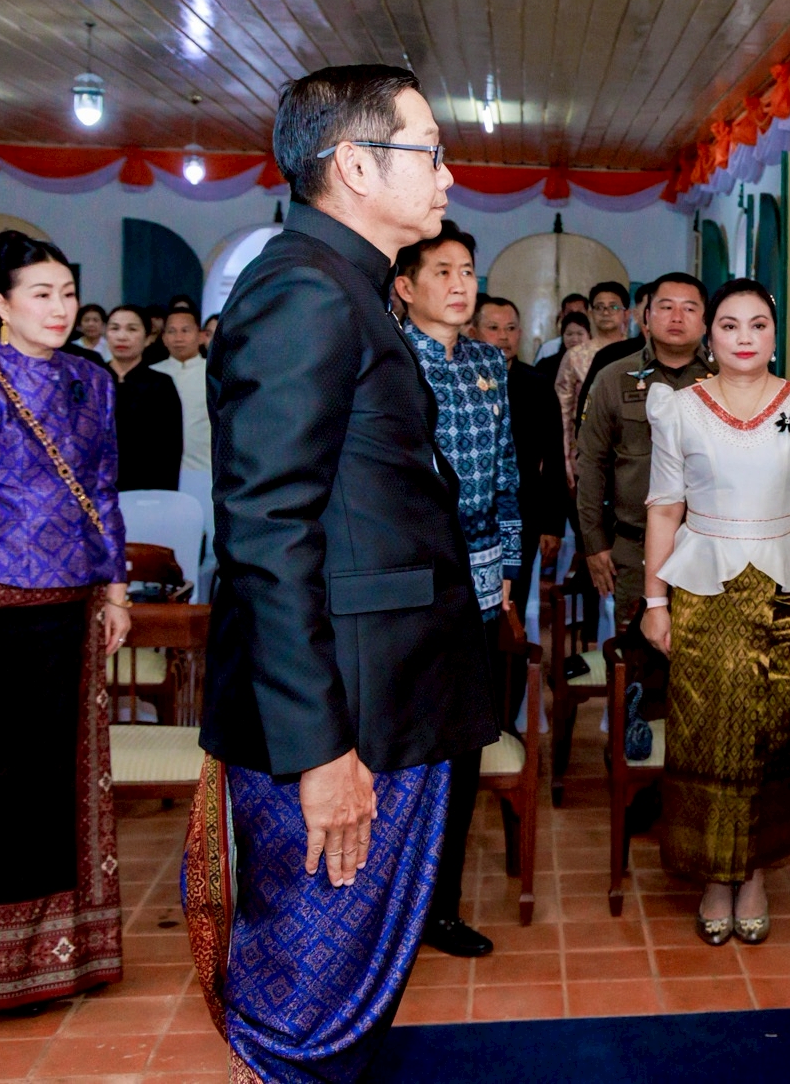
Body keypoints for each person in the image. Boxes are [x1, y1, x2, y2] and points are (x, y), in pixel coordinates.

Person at [189, 64, 497, 1082]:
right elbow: (267, 535)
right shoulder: (302, 290)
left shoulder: (345, 285)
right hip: (341, 718)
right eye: (430, 150)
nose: (449, 174)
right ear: (356, 166)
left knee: (343, 995)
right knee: (304, 1002)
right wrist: (320, 748)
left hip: (387, 694)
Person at [0, 229, 130, 1009]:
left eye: (68, 293)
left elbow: (104, 488)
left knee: (65, 789)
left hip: (73, 617)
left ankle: (69, 955)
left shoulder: (91, 381)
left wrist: (114, 589)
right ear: (1, 305)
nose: (60, 307)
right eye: (41, 294)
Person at [641, 277, 790, 947]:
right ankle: (713, 876)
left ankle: (751, 871)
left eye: (758, 324)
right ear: (709, 334)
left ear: (775, 333)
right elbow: (665, 507)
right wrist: (654, 600)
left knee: (769, 737)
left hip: (782, 586)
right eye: (729, 325)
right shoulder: (681, 407)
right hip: (703, 588)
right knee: (702, 735)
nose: (745, 338)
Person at [394, 223, 521, 960]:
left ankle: (440, 907)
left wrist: (505, 564)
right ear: (405, 286)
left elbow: (504, 469)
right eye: (441, 270)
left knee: (464, 743)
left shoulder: (486, 362)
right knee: (404, 744)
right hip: (409, 576)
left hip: (476, 575)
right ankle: (391, 911)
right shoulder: (386, 360)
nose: (460, 283)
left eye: (467, 269)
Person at [576, 274, 710, 734]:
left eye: (689, 308)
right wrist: (594, 544)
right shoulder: (615, 378)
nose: (677, 317)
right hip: (634, 550)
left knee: (703, 674)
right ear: (645, 317)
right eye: (665, 306)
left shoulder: (723, 382)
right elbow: (589, 465)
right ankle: (633, 785)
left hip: (710, 551)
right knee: (637, 668)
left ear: (706, 320)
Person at [475, 296, 566, 617]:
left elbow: (555, 458)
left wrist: (552, 525)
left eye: (511, 328)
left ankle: (510, 666)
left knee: (512, 603)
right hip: (471, 512)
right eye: (494, 328)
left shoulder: (537, 385)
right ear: (473, 331)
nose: (503, 336)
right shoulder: (462, 384)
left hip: (523, 511)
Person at [106, 305, 183, 491]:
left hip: (146, 490)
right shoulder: (92, 380)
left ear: (148, 338)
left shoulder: (161, 385)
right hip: (96, 493)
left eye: (132, 329)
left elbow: (170, 451)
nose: (121, 336)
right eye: (114, 328)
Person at [555, 282, 627, 471]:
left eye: (613, 306)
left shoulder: (637, 352)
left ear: (625, 313)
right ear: (590, 312)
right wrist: (566, 461)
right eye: (599, 307)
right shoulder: (575, 355)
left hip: (630, 452)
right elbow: (563, 412)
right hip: (585, 450)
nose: (606, 312)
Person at [577, 280, 658, 423]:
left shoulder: (693, 359)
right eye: (649, 309)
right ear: (636, 314)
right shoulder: (610, 355)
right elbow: (588, 410)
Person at [152, 306, 210, 488]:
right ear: (163, 338)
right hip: (158, 471)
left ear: (201, 336)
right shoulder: (152, 374)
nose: (178, 338)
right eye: (171, 331)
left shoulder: (215, 374)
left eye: (185, 330)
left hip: (206, 468)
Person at [534, 292, 588, 361]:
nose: (574, 317)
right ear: (562, 315)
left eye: (579, 313)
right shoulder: (548, 349)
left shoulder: (597, 348)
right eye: (570, 313)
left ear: (588, 314)